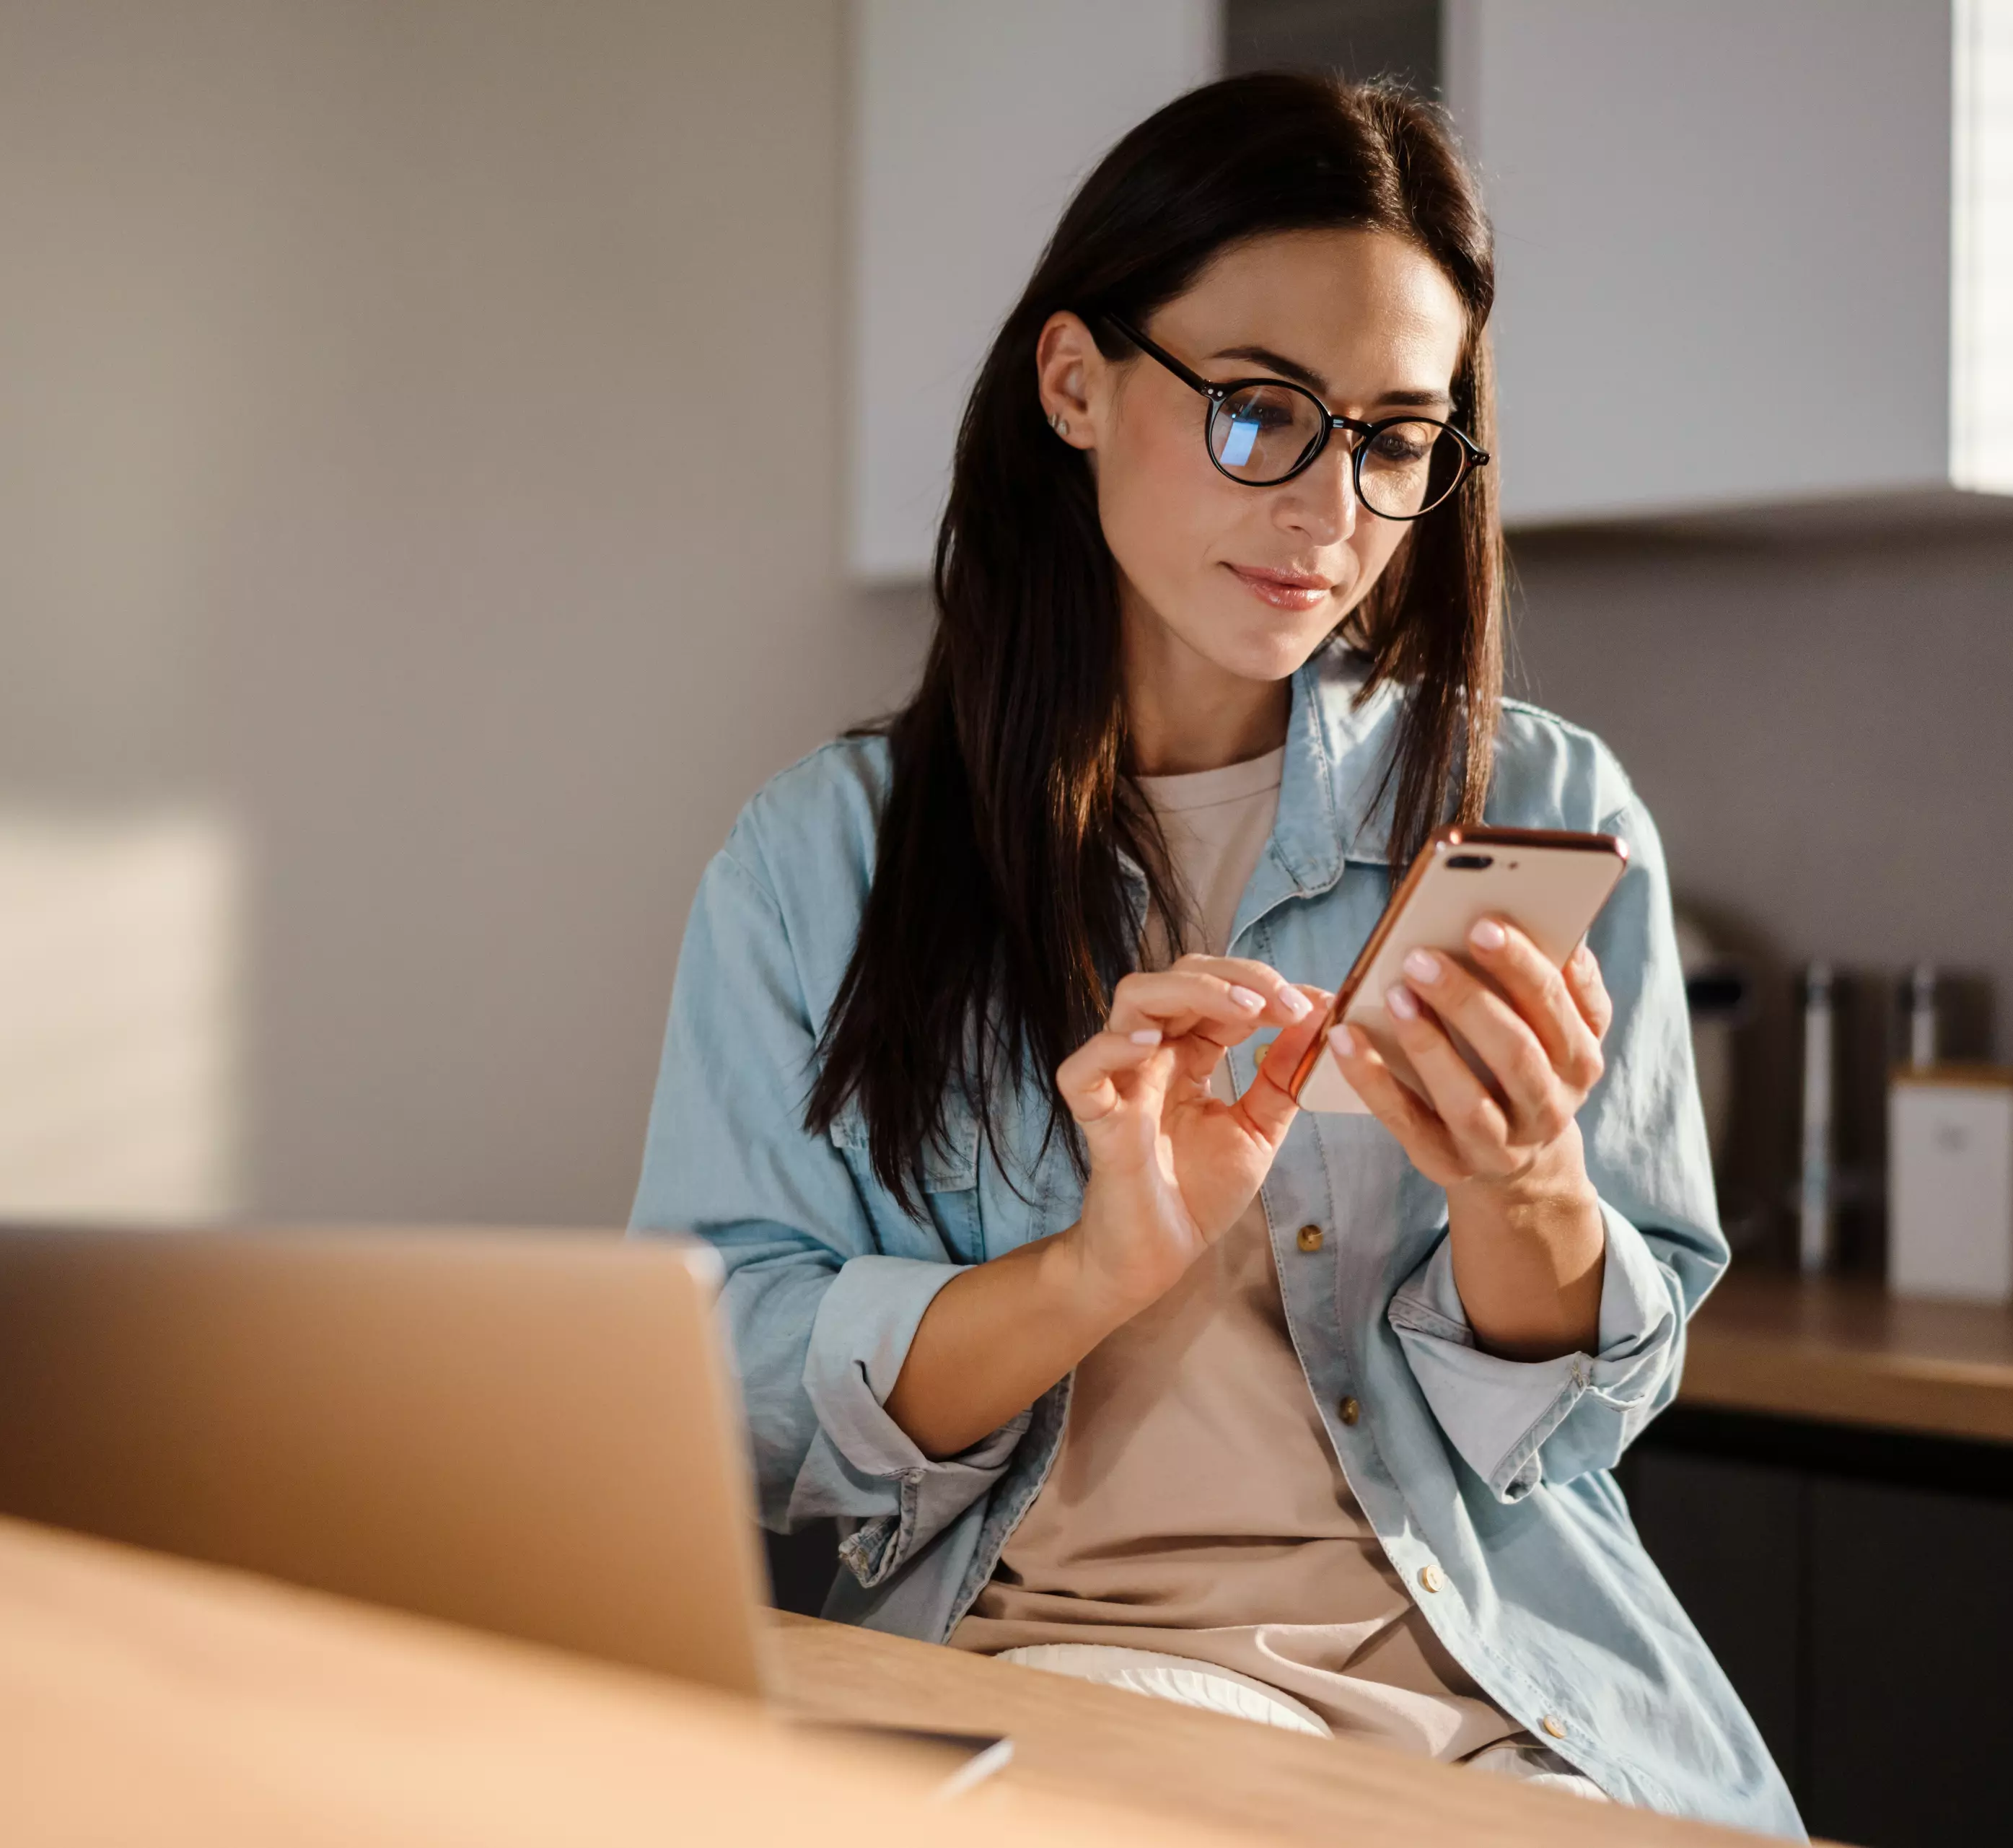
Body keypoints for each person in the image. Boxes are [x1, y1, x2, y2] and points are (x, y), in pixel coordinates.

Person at [629, 71, 1797, 1834]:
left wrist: (1530, 1183)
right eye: (1263, 411)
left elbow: (1569, 1432)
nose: (1333, 509)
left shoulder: (1548, 800)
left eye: (1399, 436)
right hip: (1080, 1656)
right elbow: (729, 1387)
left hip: (1500, 1677)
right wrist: (1092, 1267)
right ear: (1076, 383)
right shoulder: (824, 861)